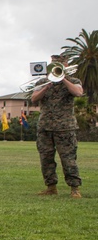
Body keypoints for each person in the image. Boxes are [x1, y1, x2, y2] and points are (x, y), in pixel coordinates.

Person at [32, 55, 85, 198]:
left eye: (60, 64)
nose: (56, 66)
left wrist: (63, 80)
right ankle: (51, 187)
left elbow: (78, 92)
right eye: (54, 64)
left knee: (68, 158)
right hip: (45, 126)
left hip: (65, 127)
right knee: (46, 158)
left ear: (66, 65)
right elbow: (34, 98)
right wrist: (46, 86)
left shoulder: (74, 81)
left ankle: (74, 188)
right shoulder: (43, 81)